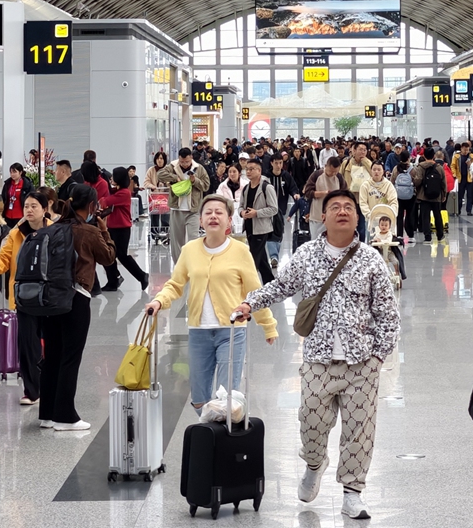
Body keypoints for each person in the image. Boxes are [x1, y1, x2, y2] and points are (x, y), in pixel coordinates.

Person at [234, 190, 400, 520]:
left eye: (348, 208)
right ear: (322, 216)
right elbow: (280, 286)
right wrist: (249, 303)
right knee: (310, 421)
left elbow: (387, 313)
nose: (342, 211)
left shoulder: (371, 260)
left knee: (360, 432)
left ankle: (352, 493)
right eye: (334, 207)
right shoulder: (307, 254)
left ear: (357, 217)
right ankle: (314, 463)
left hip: (361, 363)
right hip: (317, 360)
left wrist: (377, 358)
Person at [146, 195, 277, 411]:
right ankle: (210, 437)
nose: (213, 216)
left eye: (219, 212)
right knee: (199, 399)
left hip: (232, 331)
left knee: (227, 399)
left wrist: (268, 325)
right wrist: (159, 300)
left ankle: (221, 441)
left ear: (229, 220)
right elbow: (176, 284)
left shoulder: (240, 251)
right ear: (200, 220)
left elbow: (254, 291)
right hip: (199, 331)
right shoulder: (190, 250)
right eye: (208, 212)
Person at [40, 185, 115, 431]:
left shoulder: (53, 228)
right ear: (92, 206)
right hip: (77, 297)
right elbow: (109, 257)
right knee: (70, 357)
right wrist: (103, 228)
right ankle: (65, 416)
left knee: (52, 355)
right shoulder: (89, 231)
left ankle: (47, 414)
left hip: (50, 298)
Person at [0, 192, 52, 405]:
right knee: (27, 345)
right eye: (27, 206)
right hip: (24, 297)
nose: (29, 210)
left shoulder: (55, 231)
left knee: (50, 344)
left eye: (34, 206)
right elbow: (4, 256)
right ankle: (32, 391)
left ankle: (50, 386)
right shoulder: (16, 234)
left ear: (44, 209)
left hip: (50, 298)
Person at [101, 168, 150, 293]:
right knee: (109, 254)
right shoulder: (118, 190)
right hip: (113, 227)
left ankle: (141, 276)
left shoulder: (124, 193)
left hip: (122, 229)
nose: (111, 179)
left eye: (113, 177)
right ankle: (114, 280)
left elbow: (106, 201)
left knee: (121, 255)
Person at [158, 147, 211, 262]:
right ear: (179, 159)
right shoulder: (173, 167)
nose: (185, 164)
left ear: (191, 158)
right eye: (182, 162)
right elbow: (160, 175)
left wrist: (194, 181)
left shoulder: (199, 168)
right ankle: (179, 265)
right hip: (177, 208)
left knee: (193, 238)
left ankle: (194, 263)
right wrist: (174, 178)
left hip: (193, 209)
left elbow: (206, 185)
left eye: (187, 161)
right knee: (177, 240)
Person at [239, 160, 279, 285]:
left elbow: (274, 209)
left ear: (259, 171)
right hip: (249, 227)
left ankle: (248, 286)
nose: (249, 172)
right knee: (262, 260)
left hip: (261, 228)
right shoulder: (246, 188)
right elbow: (241, 206)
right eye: (247, 169)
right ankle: (270, 284)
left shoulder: (266, 187)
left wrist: (257, 213)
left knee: (253, 259)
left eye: (252, 169)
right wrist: (242, 213)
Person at [266, 153, 300, 268]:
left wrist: (295, 194)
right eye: (276, 163)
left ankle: (275, 254)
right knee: (270, 232)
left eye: (280, 163)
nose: (278, 165)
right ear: (271, 163)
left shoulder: (286, 176)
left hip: (281, 208)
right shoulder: (266, 176)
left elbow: (292, 187)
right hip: (267, 208)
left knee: (279, 232)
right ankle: (273, 256)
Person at [303, 157, 347, 241]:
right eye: (331, 171)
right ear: (325, 166)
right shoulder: (316, 175)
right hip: (317, 216)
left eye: (336, 171)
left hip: (335, 218)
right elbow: (308, 193)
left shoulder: (339, 178)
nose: (333, 174)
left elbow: (345, 194)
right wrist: (324, 193)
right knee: (316, 242)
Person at [412, 147, 447, 243]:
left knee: (425, 216)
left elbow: (418, 181)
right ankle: (440, 235)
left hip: (424, 196)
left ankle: (427, 236)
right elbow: (443, 182)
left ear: (424, 156)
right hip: (436, 195)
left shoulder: (420, 167)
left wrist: (415, 183)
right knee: (437, 215)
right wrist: (443, 194)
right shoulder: (439, 167)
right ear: (434, 156)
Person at [341, 143, 374, 241]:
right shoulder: (346, 163)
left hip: (363, 199)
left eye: (365, 150)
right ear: (353, 150)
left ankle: (361, 246)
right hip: (349, 198)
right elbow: (339, 178)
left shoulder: (369, 163)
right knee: (348, 225)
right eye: (360, 149)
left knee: (362, 227)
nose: (363, 152)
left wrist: (366, 162)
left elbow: (374, 174)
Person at [359, 162, 398, 236]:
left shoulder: (388, 185)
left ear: (383, 171)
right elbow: (363, 203)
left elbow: (393, 201)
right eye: (374, 169)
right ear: (371, 171)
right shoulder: (365, 185)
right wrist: (369, 215)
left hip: (386, 221)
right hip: (371, 220)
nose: (376, 172)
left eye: (379, 169)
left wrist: (392, 214)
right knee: (371, 243)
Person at [390, 150, 416, 242]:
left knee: (399, 215)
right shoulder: (412, 169)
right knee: (410, 215)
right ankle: (411, 235)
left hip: (398, 196)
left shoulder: (396, 169)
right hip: (410, 196)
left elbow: (392, 182)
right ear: (408, 158)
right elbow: (416, 181)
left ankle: (400, 234)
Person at [145, 152, 170, 243]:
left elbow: (172, 181)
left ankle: (165, 232)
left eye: (162, 158)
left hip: (165, 197)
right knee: (154, 215)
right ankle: (154, 233)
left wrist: (166, 184)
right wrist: (152, 186)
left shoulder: (168, 170)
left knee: (165, 215)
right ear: (155, 159)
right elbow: (146, 182)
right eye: (158, 158)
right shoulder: (151, 170)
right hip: (154, 198)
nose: (160, 160)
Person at [216, 164, 248, 234]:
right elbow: (219, 199)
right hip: (227, 212)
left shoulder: (246, 185)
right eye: (230, 172)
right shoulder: (222, 186)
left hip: (241, 212)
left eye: (234, 171)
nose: (232, 174)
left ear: (239, 173)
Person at [1, 163, 33, 228]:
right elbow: (4, 196)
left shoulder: (27, 185)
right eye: (11, 172)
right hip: (8, 214)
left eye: (15, 172)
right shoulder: (8, 184)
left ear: (20, 172)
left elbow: (31, 197)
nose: (12, 174)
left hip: (21, 215)